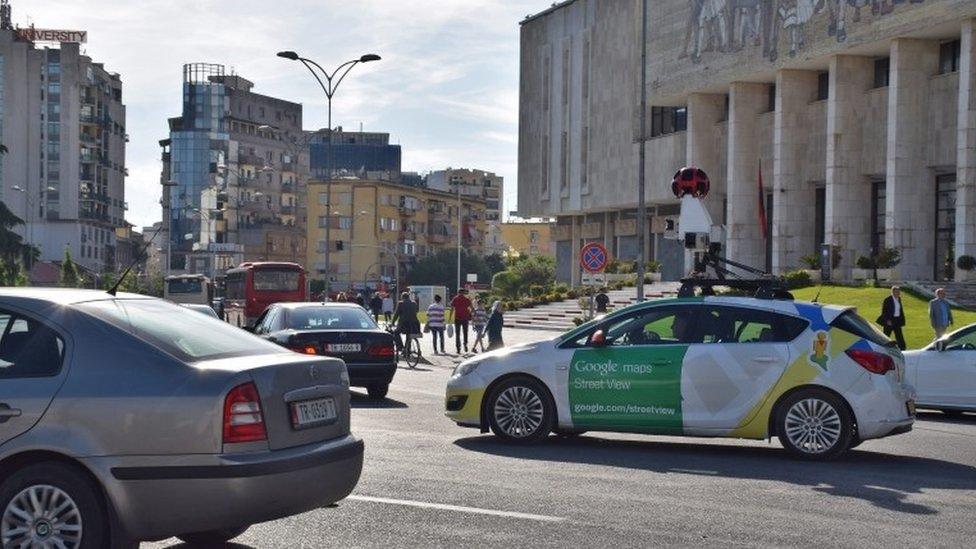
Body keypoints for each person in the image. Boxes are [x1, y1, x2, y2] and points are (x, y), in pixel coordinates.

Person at [877, 285, 907, 350]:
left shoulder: (899, 299)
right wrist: (887, 320)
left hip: (897, 320)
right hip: (890, 320)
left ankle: (902, 348)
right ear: (893, 292)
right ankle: (882, 348)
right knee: (886, 335)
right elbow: (884, 312)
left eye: (899, 292)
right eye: (897, 292)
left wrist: (902, 320)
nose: (899, 293)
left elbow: (900, 310)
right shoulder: (887, 300)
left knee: (899, 335)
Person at [450, 288, 474, 354]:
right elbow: (472, 308)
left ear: (458, 292)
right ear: (463, 293)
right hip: (465, 318)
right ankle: (465, 344)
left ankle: (458, 348)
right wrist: (470, 313)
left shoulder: (455, 299)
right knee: (465, 332)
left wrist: (450, 317)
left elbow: (452, 308)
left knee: (457, 334)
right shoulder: (467, 299)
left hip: (457, 318)